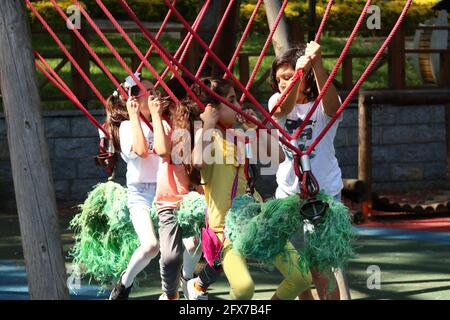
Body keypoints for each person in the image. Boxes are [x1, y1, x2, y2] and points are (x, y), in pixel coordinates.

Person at [184, 77, 312, 300]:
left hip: (256, 220)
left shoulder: (239, 137)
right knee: (244, 289)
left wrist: (256, 127)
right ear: (212, 109)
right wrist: (208, 123)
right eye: (231, 100)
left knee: (301, 276)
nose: (238, 106)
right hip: (226, 229)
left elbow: (279, 156)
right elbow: (197, 161)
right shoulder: (207, 137)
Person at [268, 42, 350, 300]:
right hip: (289, 194)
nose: (283, 83)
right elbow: (281, 110)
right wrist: (296, 80)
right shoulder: (277, 101)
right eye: (279, 79)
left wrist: (315, 64)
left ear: (306, 79)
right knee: (298, 270)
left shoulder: (324, 101)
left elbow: (332, 108)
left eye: (288, 77)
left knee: (321, 267)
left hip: (322, 194)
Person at [106, 75, 160, 300]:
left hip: (165, 191)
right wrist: (134, 115)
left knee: (187, 244)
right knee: (150, 246)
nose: (155, 94)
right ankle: (124, 284)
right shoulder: (128, 126)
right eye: (149, 91)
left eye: (156, 90)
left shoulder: (163, 122)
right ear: (135, 100)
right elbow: (141, 150)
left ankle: (189, 288)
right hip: (140, 194)